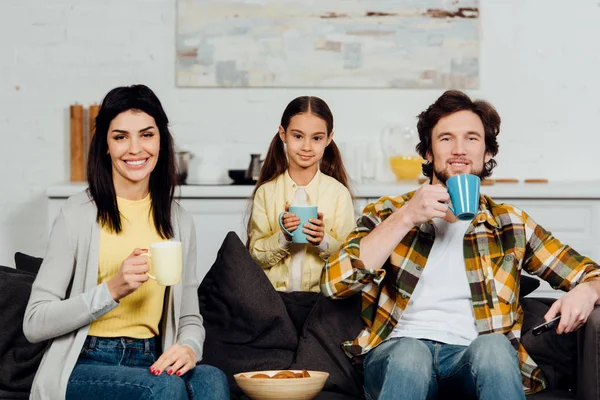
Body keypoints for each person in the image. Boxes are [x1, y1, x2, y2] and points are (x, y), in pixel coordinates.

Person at [320, 90, 600, 399]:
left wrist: (587, 291)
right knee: (411, 354)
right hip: (399, 355)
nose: (459, 150)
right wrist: (407, 217)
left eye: (471, 139)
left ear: (487, 153)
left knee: (494, 347)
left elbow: (590, 273)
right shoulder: (388, 213)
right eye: (445, 139)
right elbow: (335, 285)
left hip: (473, 358)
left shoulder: (511, 223)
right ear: (428, 153)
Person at [23, 85, 229, 400]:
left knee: (211, 380)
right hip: (84, 361)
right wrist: (111, 290)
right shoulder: (78, 214)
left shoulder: (178, 221)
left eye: (147, 135)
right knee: (165, 388)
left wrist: (189, 347)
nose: (135, 149)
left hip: (150, 356)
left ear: (161, 140)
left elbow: (189, 317)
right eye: (120, 137)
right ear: (106, 145)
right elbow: (34, 322)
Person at [247, 96, 355, 293]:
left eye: (316, 138)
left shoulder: (339, 194)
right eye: (298, 136)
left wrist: (323, 241)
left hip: (322, 302)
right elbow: (255, 255)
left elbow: (350, 258)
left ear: (329, 138)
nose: (307, 147)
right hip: (274, 302)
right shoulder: (266, 193)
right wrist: (283, 238)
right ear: (283, 134)